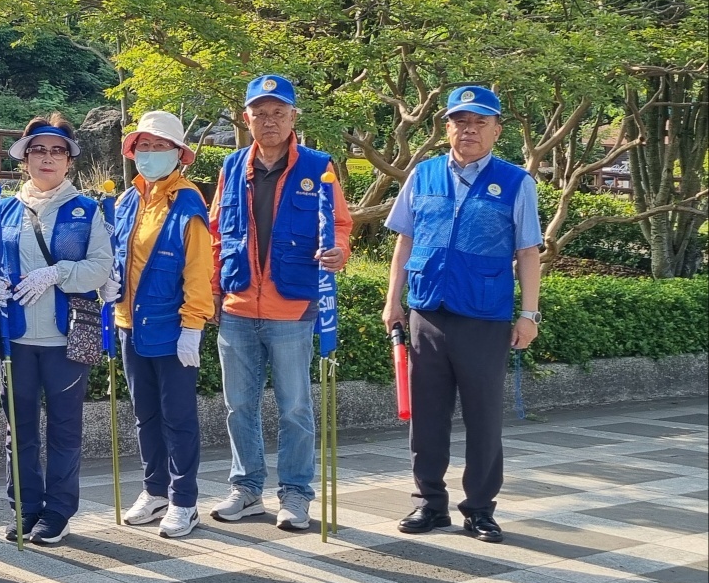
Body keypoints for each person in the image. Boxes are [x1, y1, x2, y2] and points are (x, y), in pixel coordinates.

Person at [382, 85, 542, 544]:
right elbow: (404, 242)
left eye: (479, 122)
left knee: (483, 417)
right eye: (459, 121)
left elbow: (528, 251)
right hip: (427, 311)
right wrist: (393, 301)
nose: (468, 130)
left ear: (496, 130)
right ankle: (429, 503)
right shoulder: (424, 174)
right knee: (427, 416)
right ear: (447, 127)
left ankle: (479, 509)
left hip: (485, 316)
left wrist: (528, 314)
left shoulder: (515, 182)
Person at [208, 75, 353, 532]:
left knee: (294, 406)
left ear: (293, 116)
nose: (268, 120)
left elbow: (341, 227)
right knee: (238, 407)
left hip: (292, 307)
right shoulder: (232, 167)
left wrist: (339, 254)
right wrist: (213, 292)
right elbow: (217, 234)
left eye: (278, 112)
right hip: (236, 306)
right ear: (246, 118)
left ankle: (295, 494)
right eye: (259, 112)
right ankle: (246, 488)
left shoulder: (320, 166)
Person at [0, 115, 114, 544]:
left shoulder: (86, 209)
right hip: (16, 338)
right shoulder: (5, 207)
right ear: (24, 158)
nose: (47, 158)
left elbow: (102, 266)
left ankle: (58, 512)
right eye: (38, 150)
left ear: (69, 161)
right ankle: (24, 509)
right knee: (18, 428)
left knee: (64, 428)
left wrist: (57, 272)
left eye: (57, 151)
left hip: (66, 336)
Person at [111, 111, 214, 538]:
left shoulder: (188, 202)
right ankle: (154, 490)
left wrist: (193, 325)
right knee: (145, 414)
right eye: (143, 147)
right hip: (129, 323)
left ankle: (184, 500)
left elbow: (197, 270)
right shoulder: (127, 199)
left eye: (159, 147)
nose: (149, 154)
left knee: (178, 417)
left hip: (173, 327)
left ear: (178, 154)